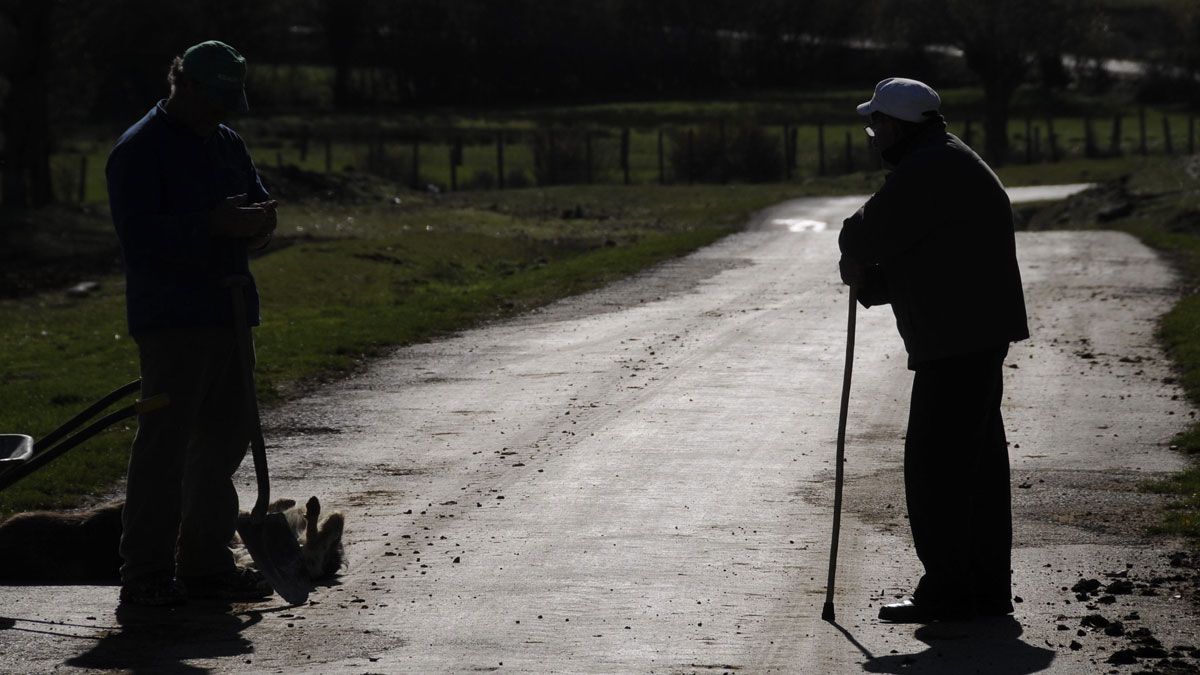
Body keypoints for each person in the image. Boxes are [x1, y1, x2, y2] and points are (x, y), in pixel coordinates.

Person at [838, 77, 1030, 623]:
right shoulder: (945, 160)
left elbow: (864, 233)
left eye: (877, 126)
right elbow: (935, 256)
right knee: (975, 470)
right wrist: (875, 286)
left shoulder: (928, 170)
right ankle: (982, 592)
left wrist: (855, 258)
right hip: (970, 335)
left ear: (897, 126)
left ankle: (949, 593)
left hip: (959, 342)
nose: (873, 137)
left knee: (936, 471)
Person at [106, 40, 278, 606]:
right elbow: (141, 241)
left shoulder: (226, 142)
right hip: (173, 322)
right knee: (164, 451)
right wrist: (213, 225)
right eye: (218, 99)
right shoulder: (140, 150)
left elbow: (258, 206)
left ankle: (205, 563)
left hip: (231, 316)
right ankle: (147, 577)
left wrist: (257, 224)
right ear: (186, 86)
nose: (225, 112)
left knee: (221, 446)